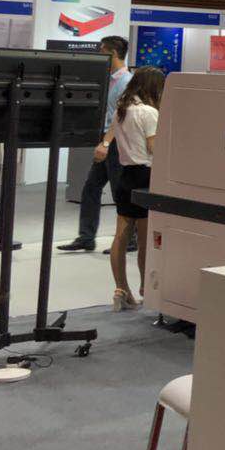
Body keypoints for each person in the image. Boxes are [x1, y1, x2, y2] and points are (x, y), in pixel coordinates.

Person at [58, 35, 132, 253]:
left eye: (102, 51)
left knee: (120, 192)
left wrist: (106, 144)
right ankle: (86, 237)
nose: (99, 55)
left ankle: (130, 239)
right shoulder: (107, 79)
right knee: (91, 188)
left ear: (113, 54)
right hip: (105, 139)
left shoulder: (127, 82)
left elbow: (121, 117)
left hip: (116, 142)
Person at [107, 66, 163, 311]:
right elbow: (154, 149)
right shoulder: (149, 113)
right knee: (145, 240)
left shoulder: (121, 110)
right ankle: (145, 288)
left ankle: (121, 289)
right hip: (146, 178)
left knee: (120, 236)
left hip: (125, 176)